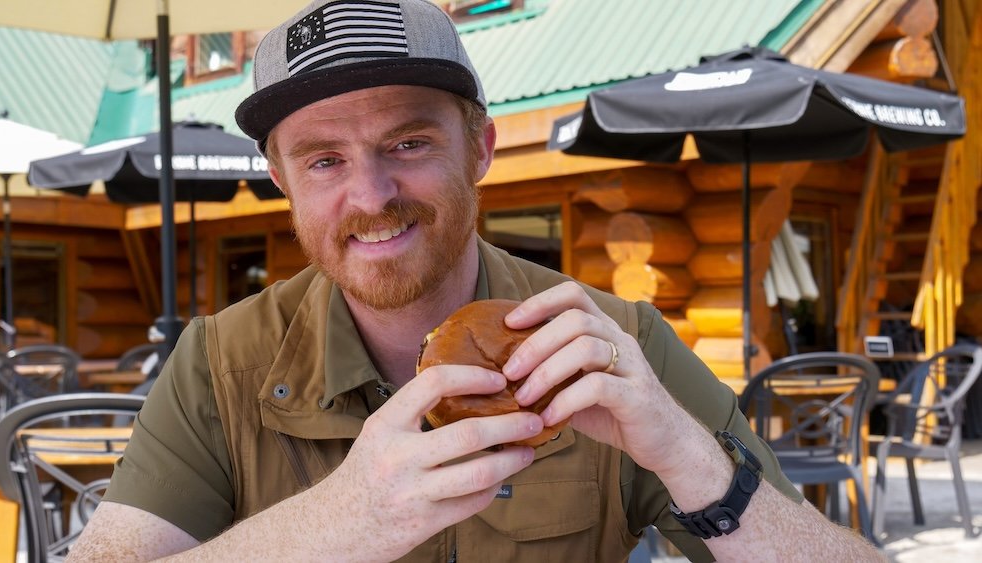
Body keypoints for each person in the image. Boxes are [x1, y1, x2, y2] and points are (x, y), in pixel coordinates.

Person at [69, 1, 883, 561]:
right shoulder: (219, 362)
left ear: (481, 148)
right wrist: (341, 521)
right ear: (282, 180)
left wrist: (690, 459)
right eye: (325, 160)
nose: (372, 195)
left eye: (409, 143)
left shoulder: (611, 344)